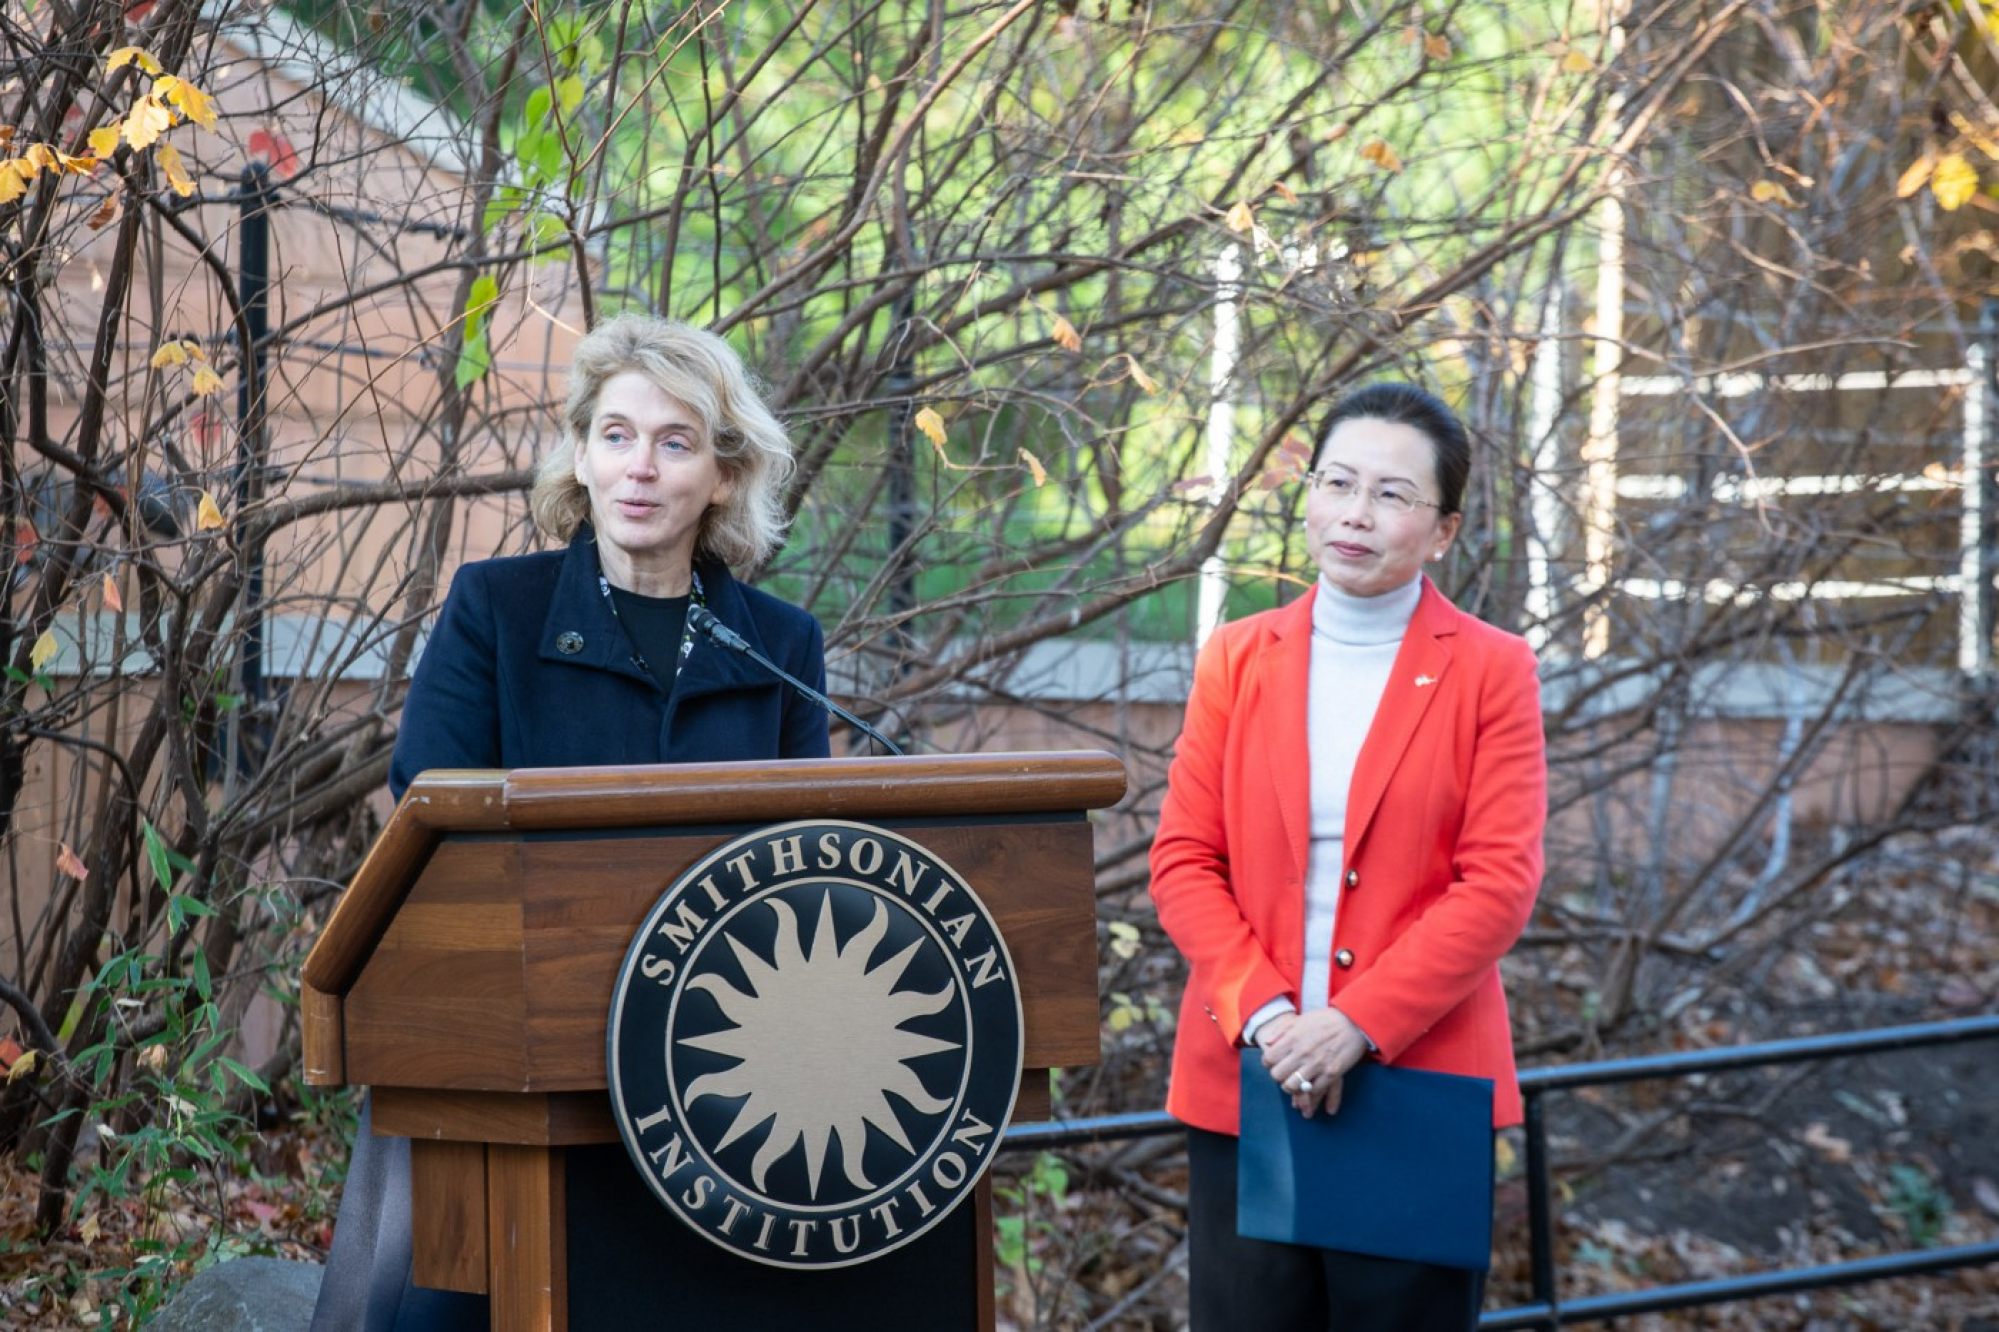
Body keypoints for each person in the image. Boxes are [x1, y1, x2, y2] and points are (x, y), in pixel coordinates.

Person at [311, 314, 830, 1331]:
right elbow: (435, 798)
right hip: (501, 1034)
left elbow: (799, 856)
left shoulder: (777, 642)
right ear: (582, 457)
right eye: (617, 435)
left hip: (710, 1055)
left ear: (722, 478)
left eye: (675, 442)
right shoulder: (494, 608)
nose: (640, 467)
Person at [1149, 383, 1546, 1331]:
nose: (1355, 515)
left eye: (1391, 494)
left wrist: (1355, 1024)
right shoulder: (1236, 658)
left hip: (1417, 1091)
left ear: (1442, 530)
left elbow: (1497, 885)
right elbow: (1182, 860)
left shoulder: (1493, 669)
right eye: (1337, 483)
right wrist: (1271, 1018)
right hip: (1248, 1078)